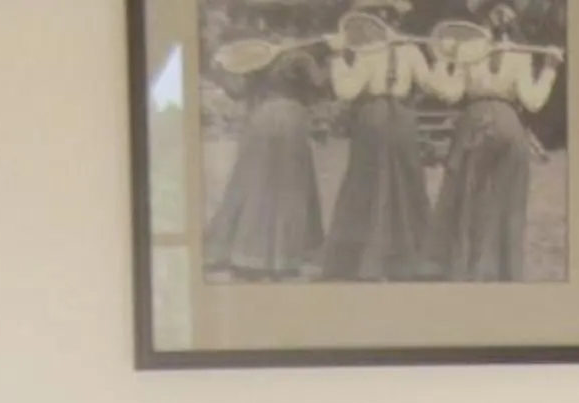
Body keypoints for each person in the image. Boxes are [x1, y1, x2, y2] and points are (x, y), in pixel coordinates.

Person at [322, 3, 454, 281]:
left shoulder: (368, 51)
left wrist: (337, 56)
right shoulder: (410, 51)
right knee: (402, 183)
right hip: (399, 120)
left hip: (376, 118)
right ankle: (405, 261)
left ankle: (368, 262)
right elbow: (438, 87)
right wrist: (442, 59)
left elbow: (346, 90)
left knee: (370, 183)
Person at [428, 5, 559, 283]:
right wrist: (549, 69)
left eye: (504, 7)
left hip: (485, 127)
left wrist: (549, 67)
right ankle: (488, 270)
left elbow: (450, 93)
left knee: (483, 200)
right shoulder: (491, 50)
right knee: (486, 200)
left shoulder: (503, 51)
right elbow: (533, 101)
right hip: (493, 127)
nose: (501, 15)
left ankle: (478, 270)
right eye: (496, 7)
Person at [201, 48, 325, 281]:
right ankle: (284, 258)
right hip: (292, 119)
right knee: (289, 188)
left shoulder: (258, 57)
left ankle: (250, 256)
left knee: (254, 185)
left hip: (263, 118)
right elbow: (319, 88)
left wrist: (219, 72)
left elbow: (238, 91)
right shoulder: (300, 57)